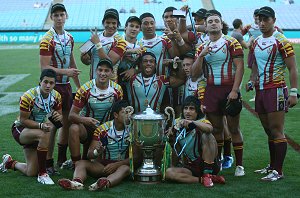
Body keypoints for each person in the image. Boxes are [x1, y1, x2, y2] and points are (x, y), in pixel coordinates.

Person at [247, 6, 298, 181]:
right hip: (260, 91)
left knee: (277, 131)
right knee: (269, 131)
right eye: (259, 19)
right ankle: (272, 166)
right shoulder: (255, 41)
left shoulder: (281, 41)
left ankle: (278, 171)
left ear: (273, 21)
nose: (262, 23)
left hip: (276, 89)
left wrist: (293, 92)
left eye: (266, 20)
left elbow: (292, 68)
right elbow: (254, 66)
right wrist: (251, 80)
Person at [191, 10, 245, 176]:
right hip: (211, 90)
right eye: (210, 21)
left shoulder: (231, 42)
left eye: (216, 21)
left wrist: (235, 90)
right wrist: (200, 57)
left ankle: (240, 165)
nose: (213, 23)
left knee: (234, 129)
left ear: (221, 25)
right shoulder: (201, 47)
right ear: (205, 27)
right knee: (216, 129)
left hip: (229, 89)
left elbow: (240, 67)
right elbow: (194, 75)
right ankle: (219, 160)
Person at [0, 69, 62, 184]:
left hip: (38, 131)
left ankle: (9, 162)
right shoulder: (28, 97)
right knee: (45, 134)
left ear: (55, 84)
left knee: (31, 172)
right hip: (21, 129)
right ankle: (43, 173)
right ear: (40, 82)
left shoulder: (56, 96)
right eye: (45, 82)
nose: (48, 85)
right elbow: (23, 120)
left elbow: (59, 117)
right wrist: (41, 125)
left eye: (51, 83)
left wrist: (58, 117)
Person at [39, 3, 81, 172]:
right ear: (51, 18)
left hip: (66, 86)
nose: (58, 18)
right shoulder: (46, 39)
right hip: (51, 87)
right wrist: (67, 72)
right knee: (52, 124)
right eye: (55, 15)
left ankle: (61, 160)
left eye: (61, 15)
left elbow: (72, 62)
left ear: (66, 16)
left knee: (65, 122)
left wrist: (79, 85)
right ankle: (48, 163)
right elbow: (44, 68)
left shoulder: (69, 37)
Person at [58, 100, 130, 191]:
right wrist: (97, 152)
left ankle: (104, 183)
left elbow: (136, 157)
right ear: (115, 115)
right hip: (102, 166)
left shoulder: (133, 130)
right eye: (124, 113)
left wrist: (116, 165)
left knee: (125, 169)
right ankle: (76, 183)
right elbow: (90, 154)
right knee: (80, 163)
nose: (128, 116)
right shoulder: (103, 129)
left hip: (120, 165)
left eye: (129, 112)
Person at [68, 59, 123, 167]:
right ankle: (76, 163)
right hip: (87, 128)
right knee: (74, 128)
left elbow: (119, 114)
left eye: (106, 71)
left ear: (111, 73)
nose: (103, 73)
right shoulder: (85, 89)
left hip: (105, 130)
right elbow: (71, 115)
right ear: (96, 71)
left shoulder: (117, 90)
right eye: (100, 70)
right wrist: (85, 120)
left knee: (98, 163)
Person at [165, 96, 225, 188]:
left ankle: (207, 174)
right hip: (191, 166)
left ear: (197, 111)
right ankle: (204, 179)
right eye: (185, 108)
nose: (188, 111)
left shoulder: (202, 121)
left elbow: (210, 128)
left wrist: (193, 123)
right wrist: (170, 136)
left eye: (192, 109)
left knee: (208, 135)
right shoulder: (177, 123)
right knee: (169, 173)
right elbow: (176, 148)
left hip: (210, 164)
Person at [81, 8, 127, 81]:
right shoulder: (96, 36)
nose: (110, 25)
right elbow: (86, 61)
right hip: (93, 82)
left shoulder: (121, 41)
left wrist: (98, 43)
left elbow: (109, 63)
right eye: (108, 22)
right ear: (103, 23)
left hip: (110, 85)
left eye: (114, 23)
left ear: (118, 24)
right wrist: (84, 57)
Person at [118, 16, 144, 101]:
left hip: (131, 81)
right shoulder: (117, 41)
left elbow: (144, 67)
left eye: (137, 27)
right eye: (131, 26)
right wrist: (130, 51)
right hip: (114, 78)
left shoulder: (141, 46)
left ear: (140, 30)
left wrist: (134, 71)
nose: (134, 29)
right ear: (125, 27)